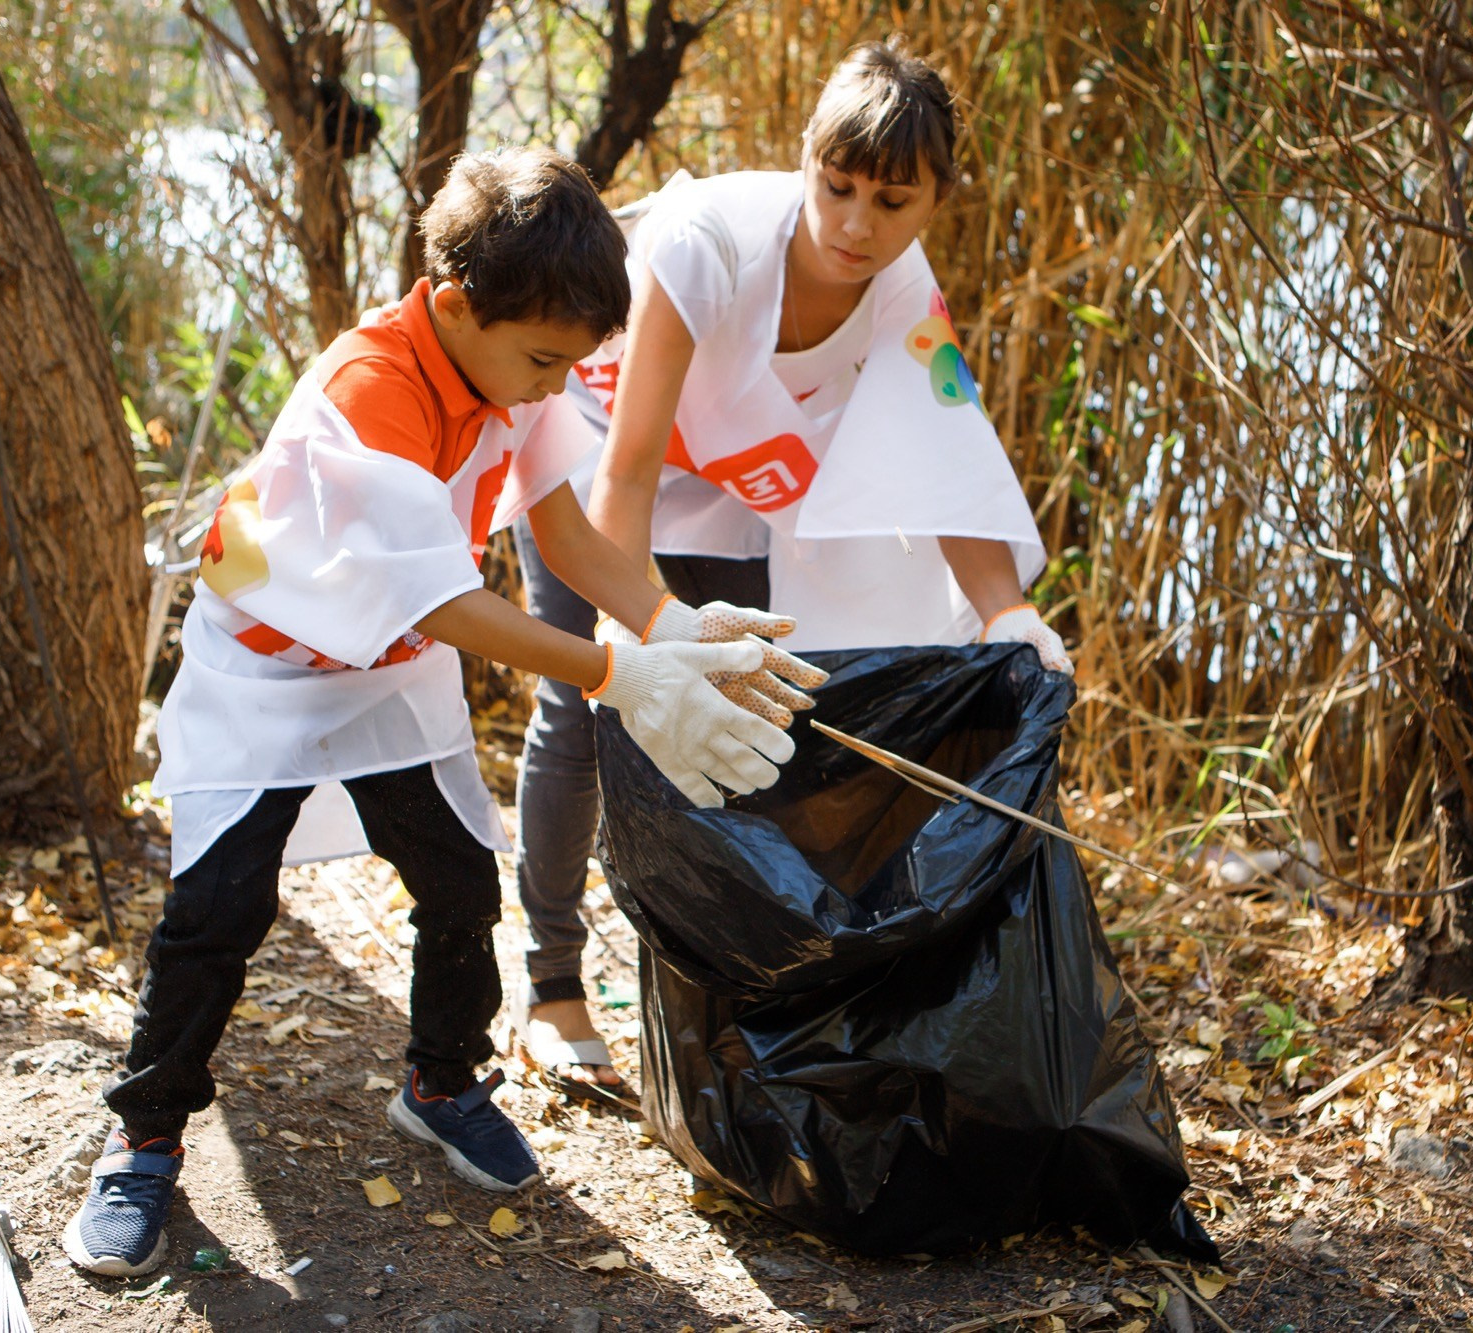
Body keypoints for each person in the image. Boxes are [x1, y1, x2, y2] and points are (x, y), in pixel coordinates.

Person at [63, 147, 820, 1278]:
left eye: (571, 364)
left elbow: (560, 534)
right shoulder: (369, 395)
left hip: (392, 665)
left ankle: (442, 1079)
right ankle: (144, 1136)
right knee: (217, 912)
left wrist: (668, 622)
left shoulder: (505, 369)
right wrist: (615, 677)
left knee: (462, 884)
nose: (555, 386)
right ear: (454, 304)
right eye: (544, 361)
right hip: (263, 672)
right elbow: (452, 599)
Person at [513, 39, 1069, 1099]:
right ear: (805, 159)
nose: (856, 224)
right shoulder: (703, 243)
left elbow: (947, 465)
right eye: (837, 185)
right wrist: (634, 646)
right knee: (585, 708)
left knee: (751, 726)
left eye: (891, 201)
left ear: (933, 202)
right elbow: (626, 471)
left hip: (738, 488)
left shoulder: (903, 288)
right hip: (598, 449)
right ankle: (551, 989)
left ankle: (715, 1006)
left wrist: (1010, 615)